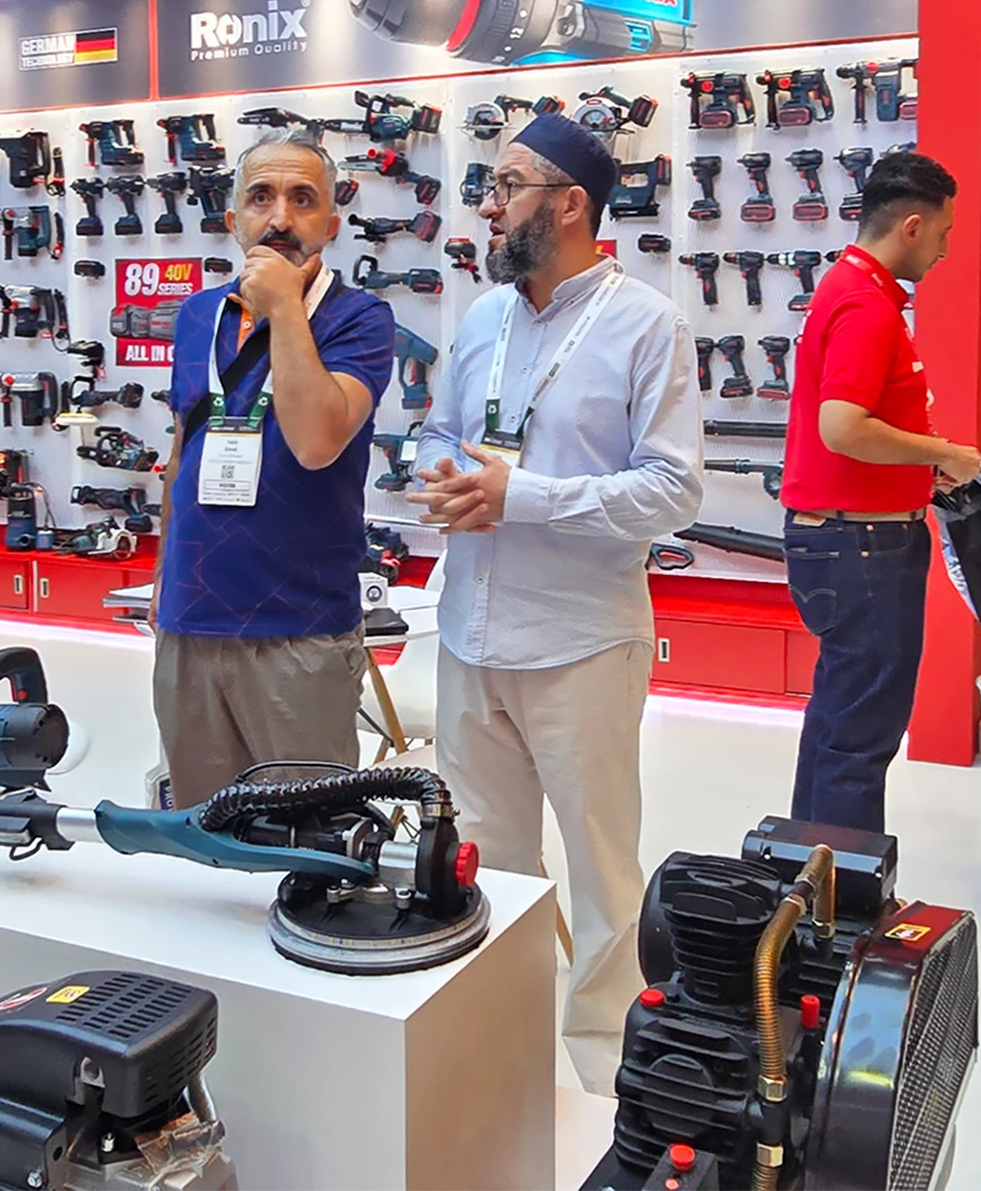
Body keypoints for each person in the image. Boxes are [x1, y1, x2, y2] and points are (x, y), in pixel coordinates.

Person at [408, 111, 703, 1092]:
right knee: (487, 865)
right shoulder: (482, 320)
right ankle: (508, 1050)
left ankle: (603, 1072)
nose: (488, 207)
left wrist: (520, 497)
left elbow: (672, 490)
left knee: (605, 875)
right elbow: (439, 437)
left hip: (580, 645)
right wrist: (443, 478)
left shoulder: (646, 323)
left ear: (570, 203)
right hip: (467, 638)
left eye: (508, 185)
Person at [151, 127, 395, 808]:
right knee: (202, 832)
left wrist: (286, 306)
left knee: (306, 845)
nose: (280, 218)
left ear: (332, 222)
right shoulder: (198, 314)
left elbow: (318, 439)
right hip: (191, 620)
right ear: (233, 219)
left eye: (302, 199)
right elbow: (182, 452)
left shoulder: (359, 318)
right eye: (261, 197)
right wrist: (162, 577)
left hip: (299, 629)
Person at [778, 151, 981, 833]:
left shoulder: (851, 290)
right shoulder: (866, 303)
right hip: (862, 546)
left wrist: (923, 468)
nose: (948, 250)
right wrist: (946, 452)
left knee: (839, 723)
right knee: (860, 738)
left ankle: (810, 886)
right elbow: (844, 426)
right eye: (947, 234)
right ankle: (842, 915)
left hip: (849, 541)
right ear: (915, 226)